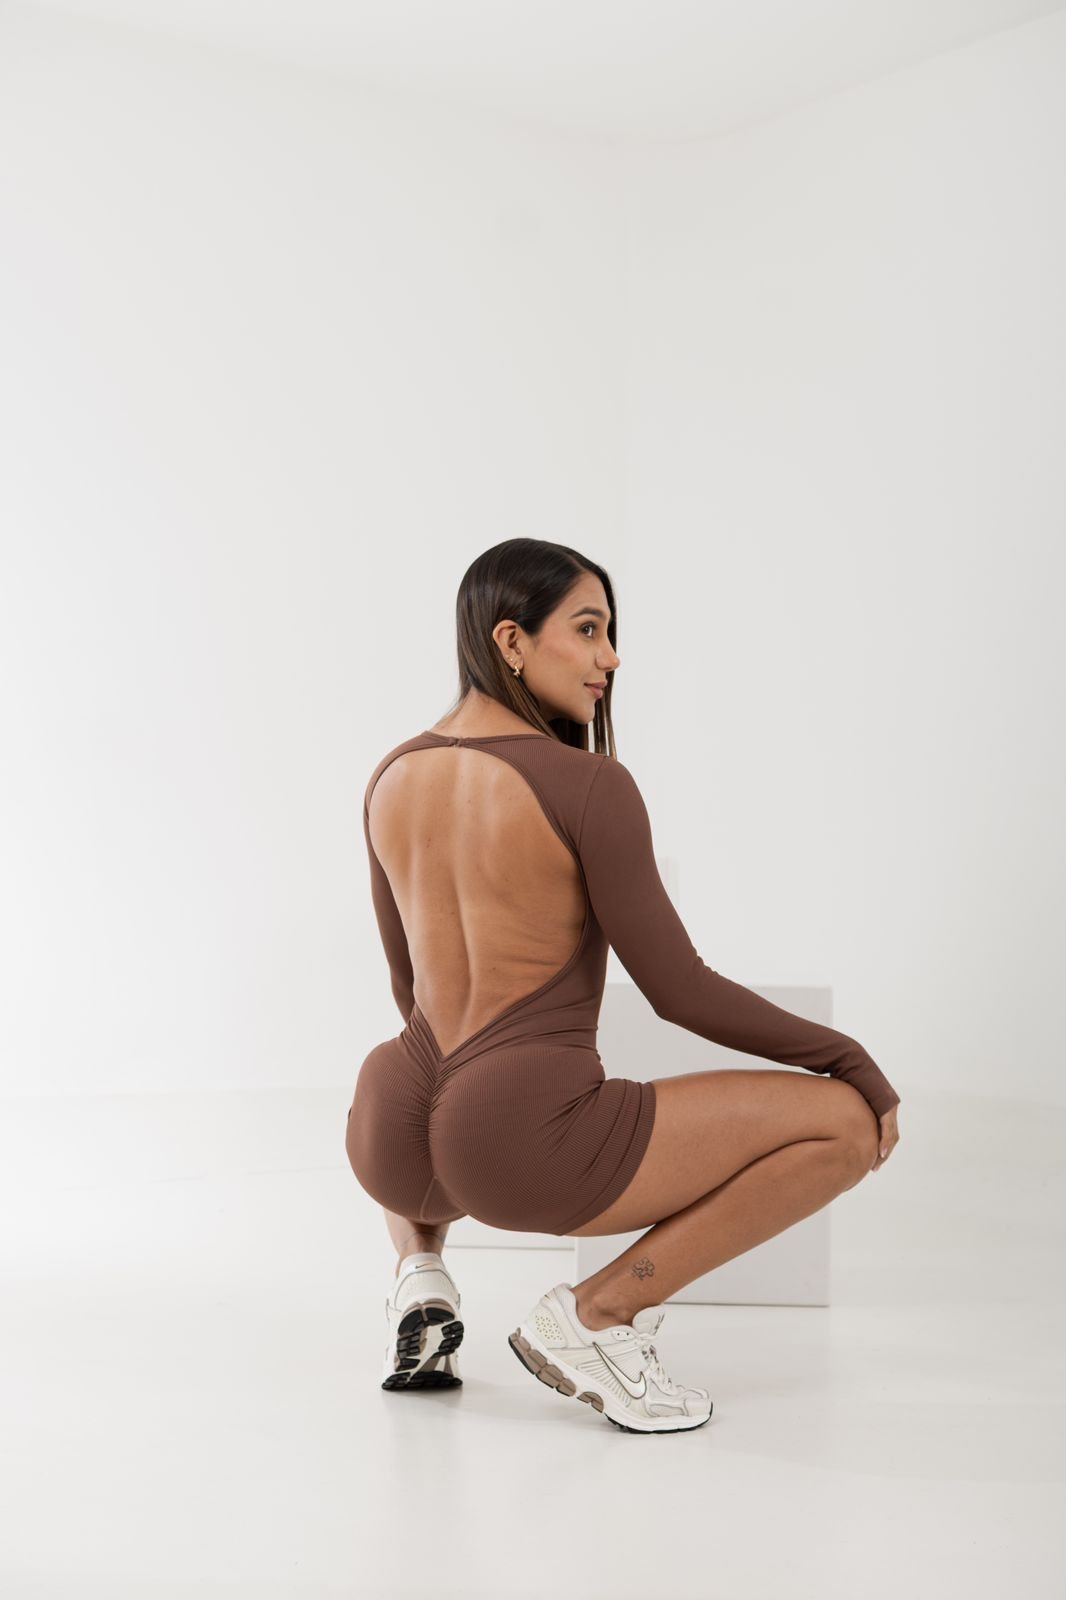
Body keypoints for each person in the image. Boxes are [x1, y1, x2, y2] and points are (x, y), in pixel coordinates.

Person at [345, 538, 901, 1433]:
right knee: (843, 1124)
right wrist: (849, 1058)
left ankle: (419, 1277)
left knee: (419, 1082)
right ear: (512, 641)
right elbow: (679, 989)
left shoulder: (392, 774)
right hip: (517, 1135)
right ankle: (598, 1315)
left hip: (391, 1127)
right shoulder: (588, 785)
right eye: (588, 629)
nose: (610, 657)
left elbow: (407, 985)